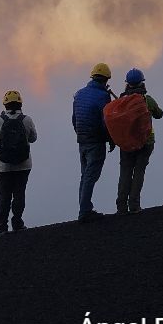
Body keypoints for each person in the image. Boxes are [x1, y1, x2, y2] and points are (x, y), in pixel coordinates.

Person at [0, 90, 38, 235]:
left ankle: (2, 227)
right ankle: (18, 223)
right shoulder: (27, 119)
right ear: (20, 103)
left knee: (4, 196)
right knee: (19, 194)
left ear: (5, 104)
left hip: (2, 165)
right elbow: (33, 138)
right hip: (23, 164)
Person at [116, 68, 163, 215]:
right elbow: (159, 114)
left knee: (125, 172)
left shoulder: (121, 101)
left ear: (127, 84)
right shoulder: (147, 100)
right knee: (139, 171)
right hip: (145, 142)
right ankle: (134, 205)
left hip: (126, 143)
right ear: (142, 83)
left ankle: (121, 207)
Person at [72, 63, 115, 223]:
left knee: (85, 175)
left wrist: (80, 135)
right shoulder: (103, 96)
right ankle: (84, 211)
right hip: (95, 141)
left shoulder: (79, 94)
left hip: (82, 140)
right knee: (91, 176)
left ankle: (85, 208)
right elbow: (106, 122)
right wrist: (111, 140)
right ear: (105, 79)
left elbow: (74, 119)